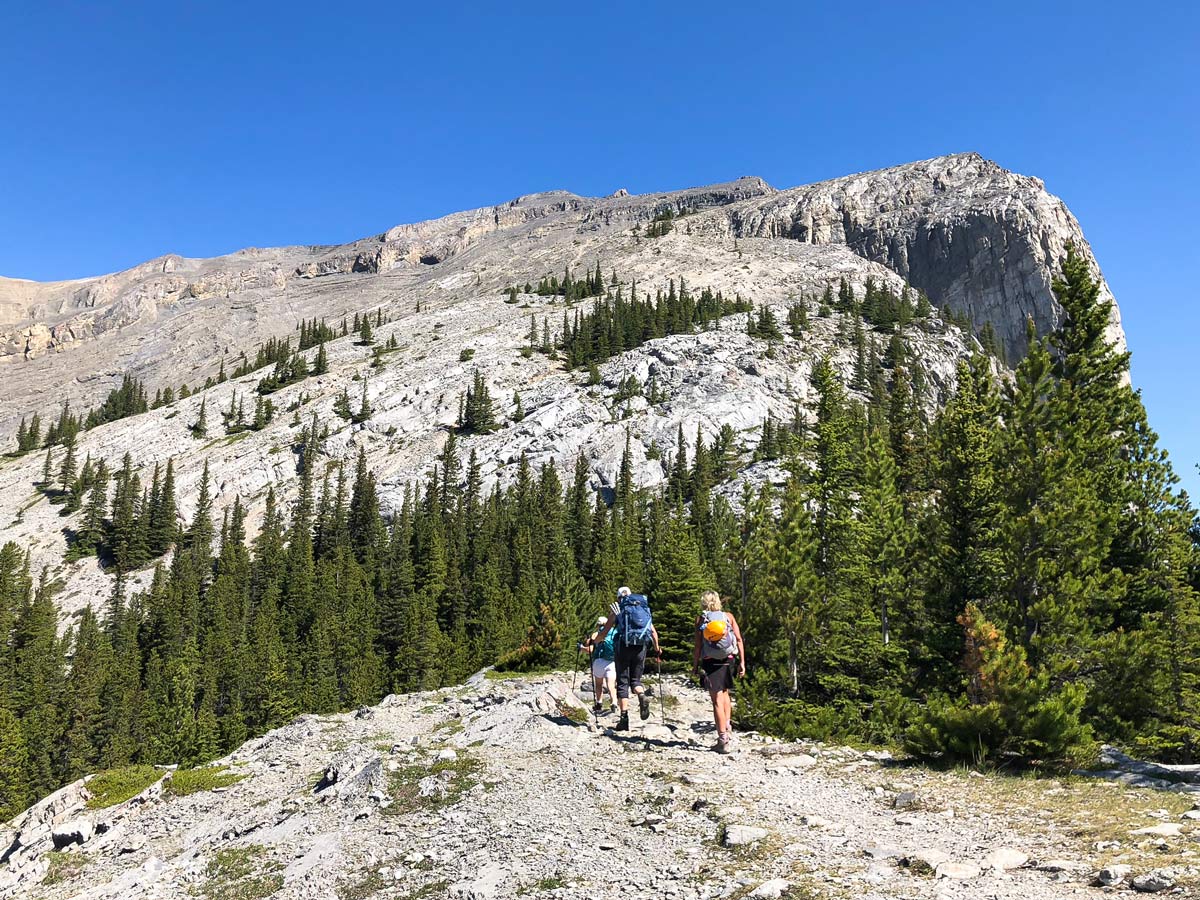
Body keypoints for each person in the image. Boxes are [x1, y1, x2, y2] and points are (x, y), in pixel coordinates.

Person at [597, 586, 660, 732]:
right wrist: (657, 649)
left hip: (623, 647)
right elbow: (653, 632)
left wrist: (595, 641)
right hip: (640, 647)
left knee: (622, 682)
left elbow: (605, 632)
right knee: (635, 681)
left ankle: (624, 719)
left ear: (619, 597)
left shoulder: (618, 608)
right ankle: (642, 695)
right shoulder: (641, 607)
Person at [692, 591, 745, 754]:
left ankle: (722, 739)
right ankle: (727, 726)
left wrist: (695, 665)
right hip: (728, 659)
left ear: (704, 603)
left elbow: (698, 646)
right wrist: (742, 662)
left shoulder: (701, 620)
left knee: (716, 700)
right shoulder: (728, 616)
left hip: (711, 661)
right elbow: (738, 639)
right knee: (725, 692)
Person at [581, 615, 618, 714]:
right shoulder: (614, 632)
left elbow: (590, 650)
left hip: (599, 661)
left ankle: (599, 703)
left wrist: (581, 648)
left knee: (599, 684)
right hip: (611, 661)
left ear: (598, 625)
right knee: (611, 685)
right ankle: (614, 702)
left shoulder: (596, 634)